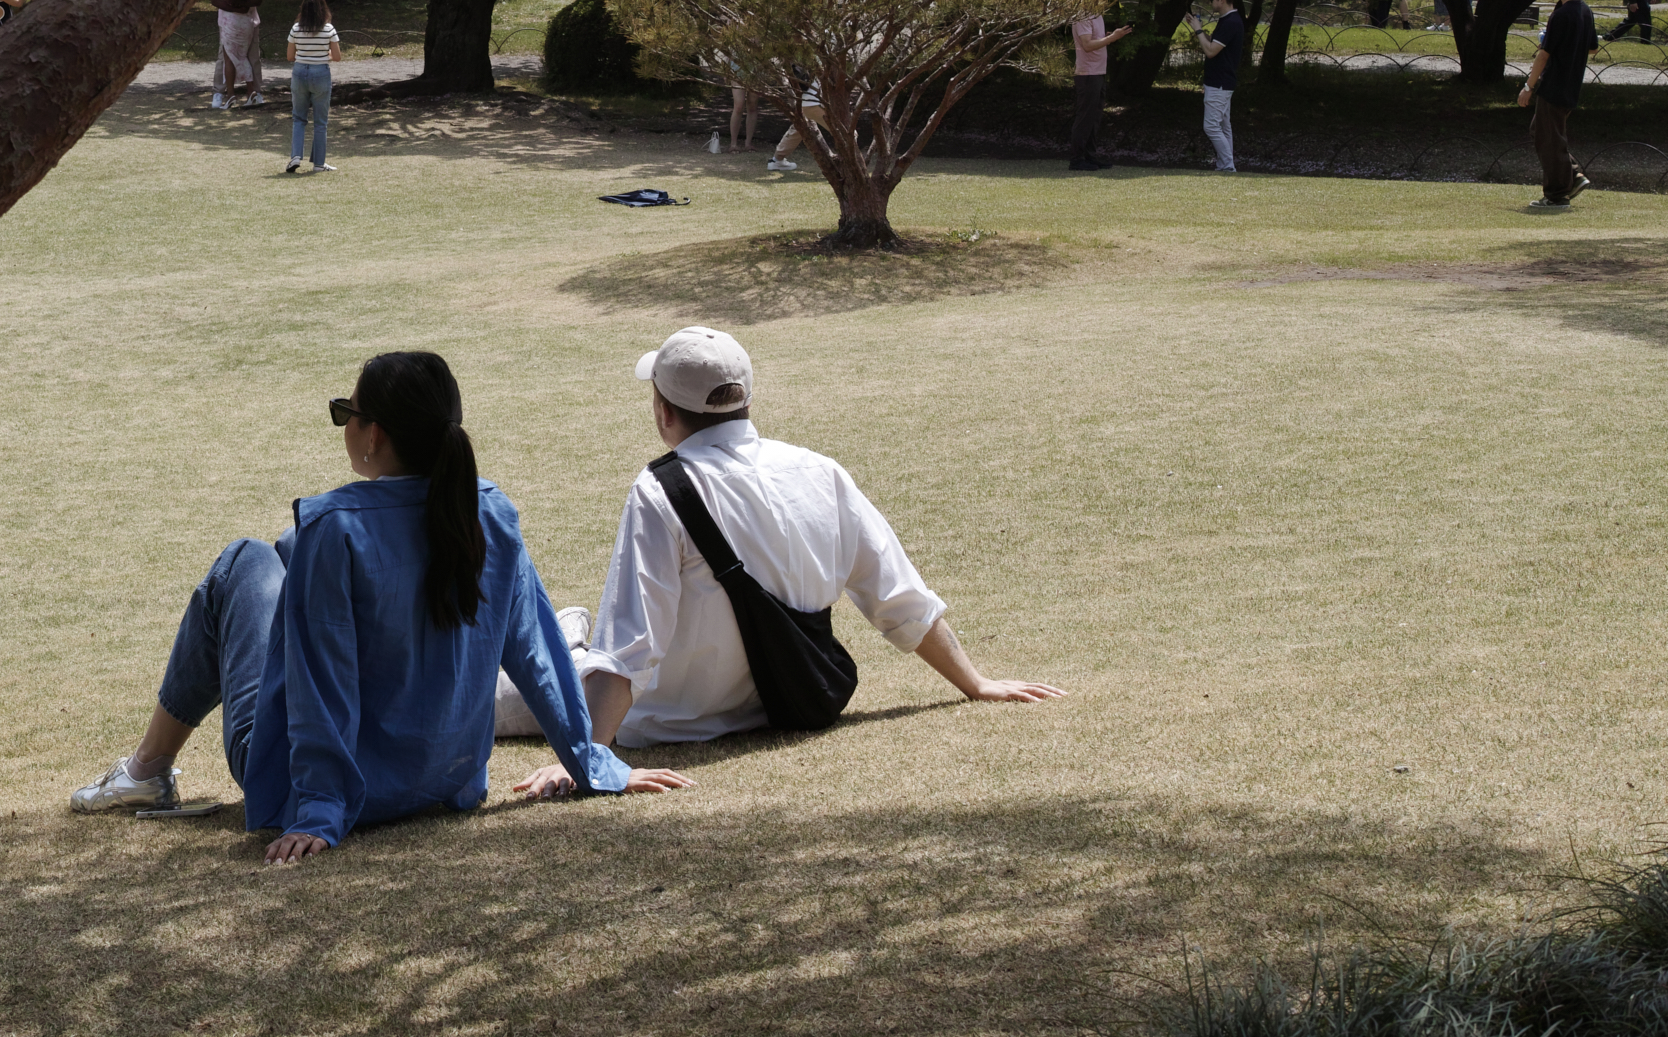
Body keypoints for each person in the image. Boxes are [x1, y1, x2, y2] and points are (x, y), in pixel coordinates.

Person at [70, 352, 691, 862]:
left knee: (242, 560)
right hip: (446, 780)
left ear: (374, 434)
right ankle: (146, 770)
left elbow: (321, 678)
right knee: (278, 556)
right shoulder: (489, 513)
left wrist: (318, 808)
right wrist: (590, 763)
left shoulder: (333, 526)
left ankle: (147, 769)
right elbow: (535, 651)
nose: (343, 423)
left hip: (326, 787)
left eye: (345, 411)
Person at [501, 327, 1061, 765]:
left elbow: (629, 647)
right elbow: (899, 596)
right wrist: (976, 682)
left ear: (665, 412)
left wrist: (587, 756)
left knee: (490, 692)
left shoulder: (659, 489)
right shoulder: (820, 471)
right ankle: (568, 635)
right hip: (785, 700)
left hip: (669, 720)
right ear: (744, 399)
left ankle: (567, 636)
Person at [1519, 0, 1597, 206]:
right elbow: (1593, 47)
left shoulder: (1561, 14)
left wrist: (1528, 87)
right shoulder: (1585, 10)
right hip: (1572, 84)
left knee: (1550, 139)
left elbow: (1543, 55)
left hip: (1554, 84)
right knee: (1543, 132)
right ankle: (1573, 175)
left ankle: (1556, 194)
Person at [1188, 0, 1245, 172]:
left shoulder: (1231, 22)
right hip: (1222, 81)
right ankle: (1224, 165)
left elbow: (1211, 51)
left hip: (1220, 82)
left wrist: (1197, 30)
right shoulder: (1228, 20)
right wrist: (1201, 30)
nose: (1210, 2)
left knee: (1211, 126)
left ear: (1222, 0)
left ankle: (1227, 166)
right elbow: (1214, 45)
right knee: (1223, 126)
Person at [284, 0, 342, 175]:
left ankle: (295, 156)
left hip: (300, 72)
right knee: (320, 122)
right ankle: (318, 163)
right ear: (323, 9)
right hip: (320, 73)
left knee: (299, 118)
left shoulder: (296, 28)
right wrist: (325, 55)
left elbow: (290, 56)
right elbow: (338, 57)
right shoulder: (328, 29)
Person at [1067, 8, 1131, 170]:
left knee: (1094, 118)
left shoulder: (1097, 15)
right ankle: (1076, 160)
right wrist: (1111, 38)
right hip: (1087, 74)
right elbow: (1087, 45)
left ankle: (1090, 156)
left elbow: (1095, 40)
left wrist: (1110, 37)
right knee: (1085, 117)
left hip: (1098, 73)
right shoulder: (1082, 15)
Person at [209, 0, 266, 110]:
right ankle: (230, 91)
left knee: (236, 57)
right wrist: (240, 8)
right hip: (244, 22)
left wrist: (234, 7)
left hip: (233, 23)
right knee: (237, 57)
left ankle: (233, 94)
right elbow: (251, 0)